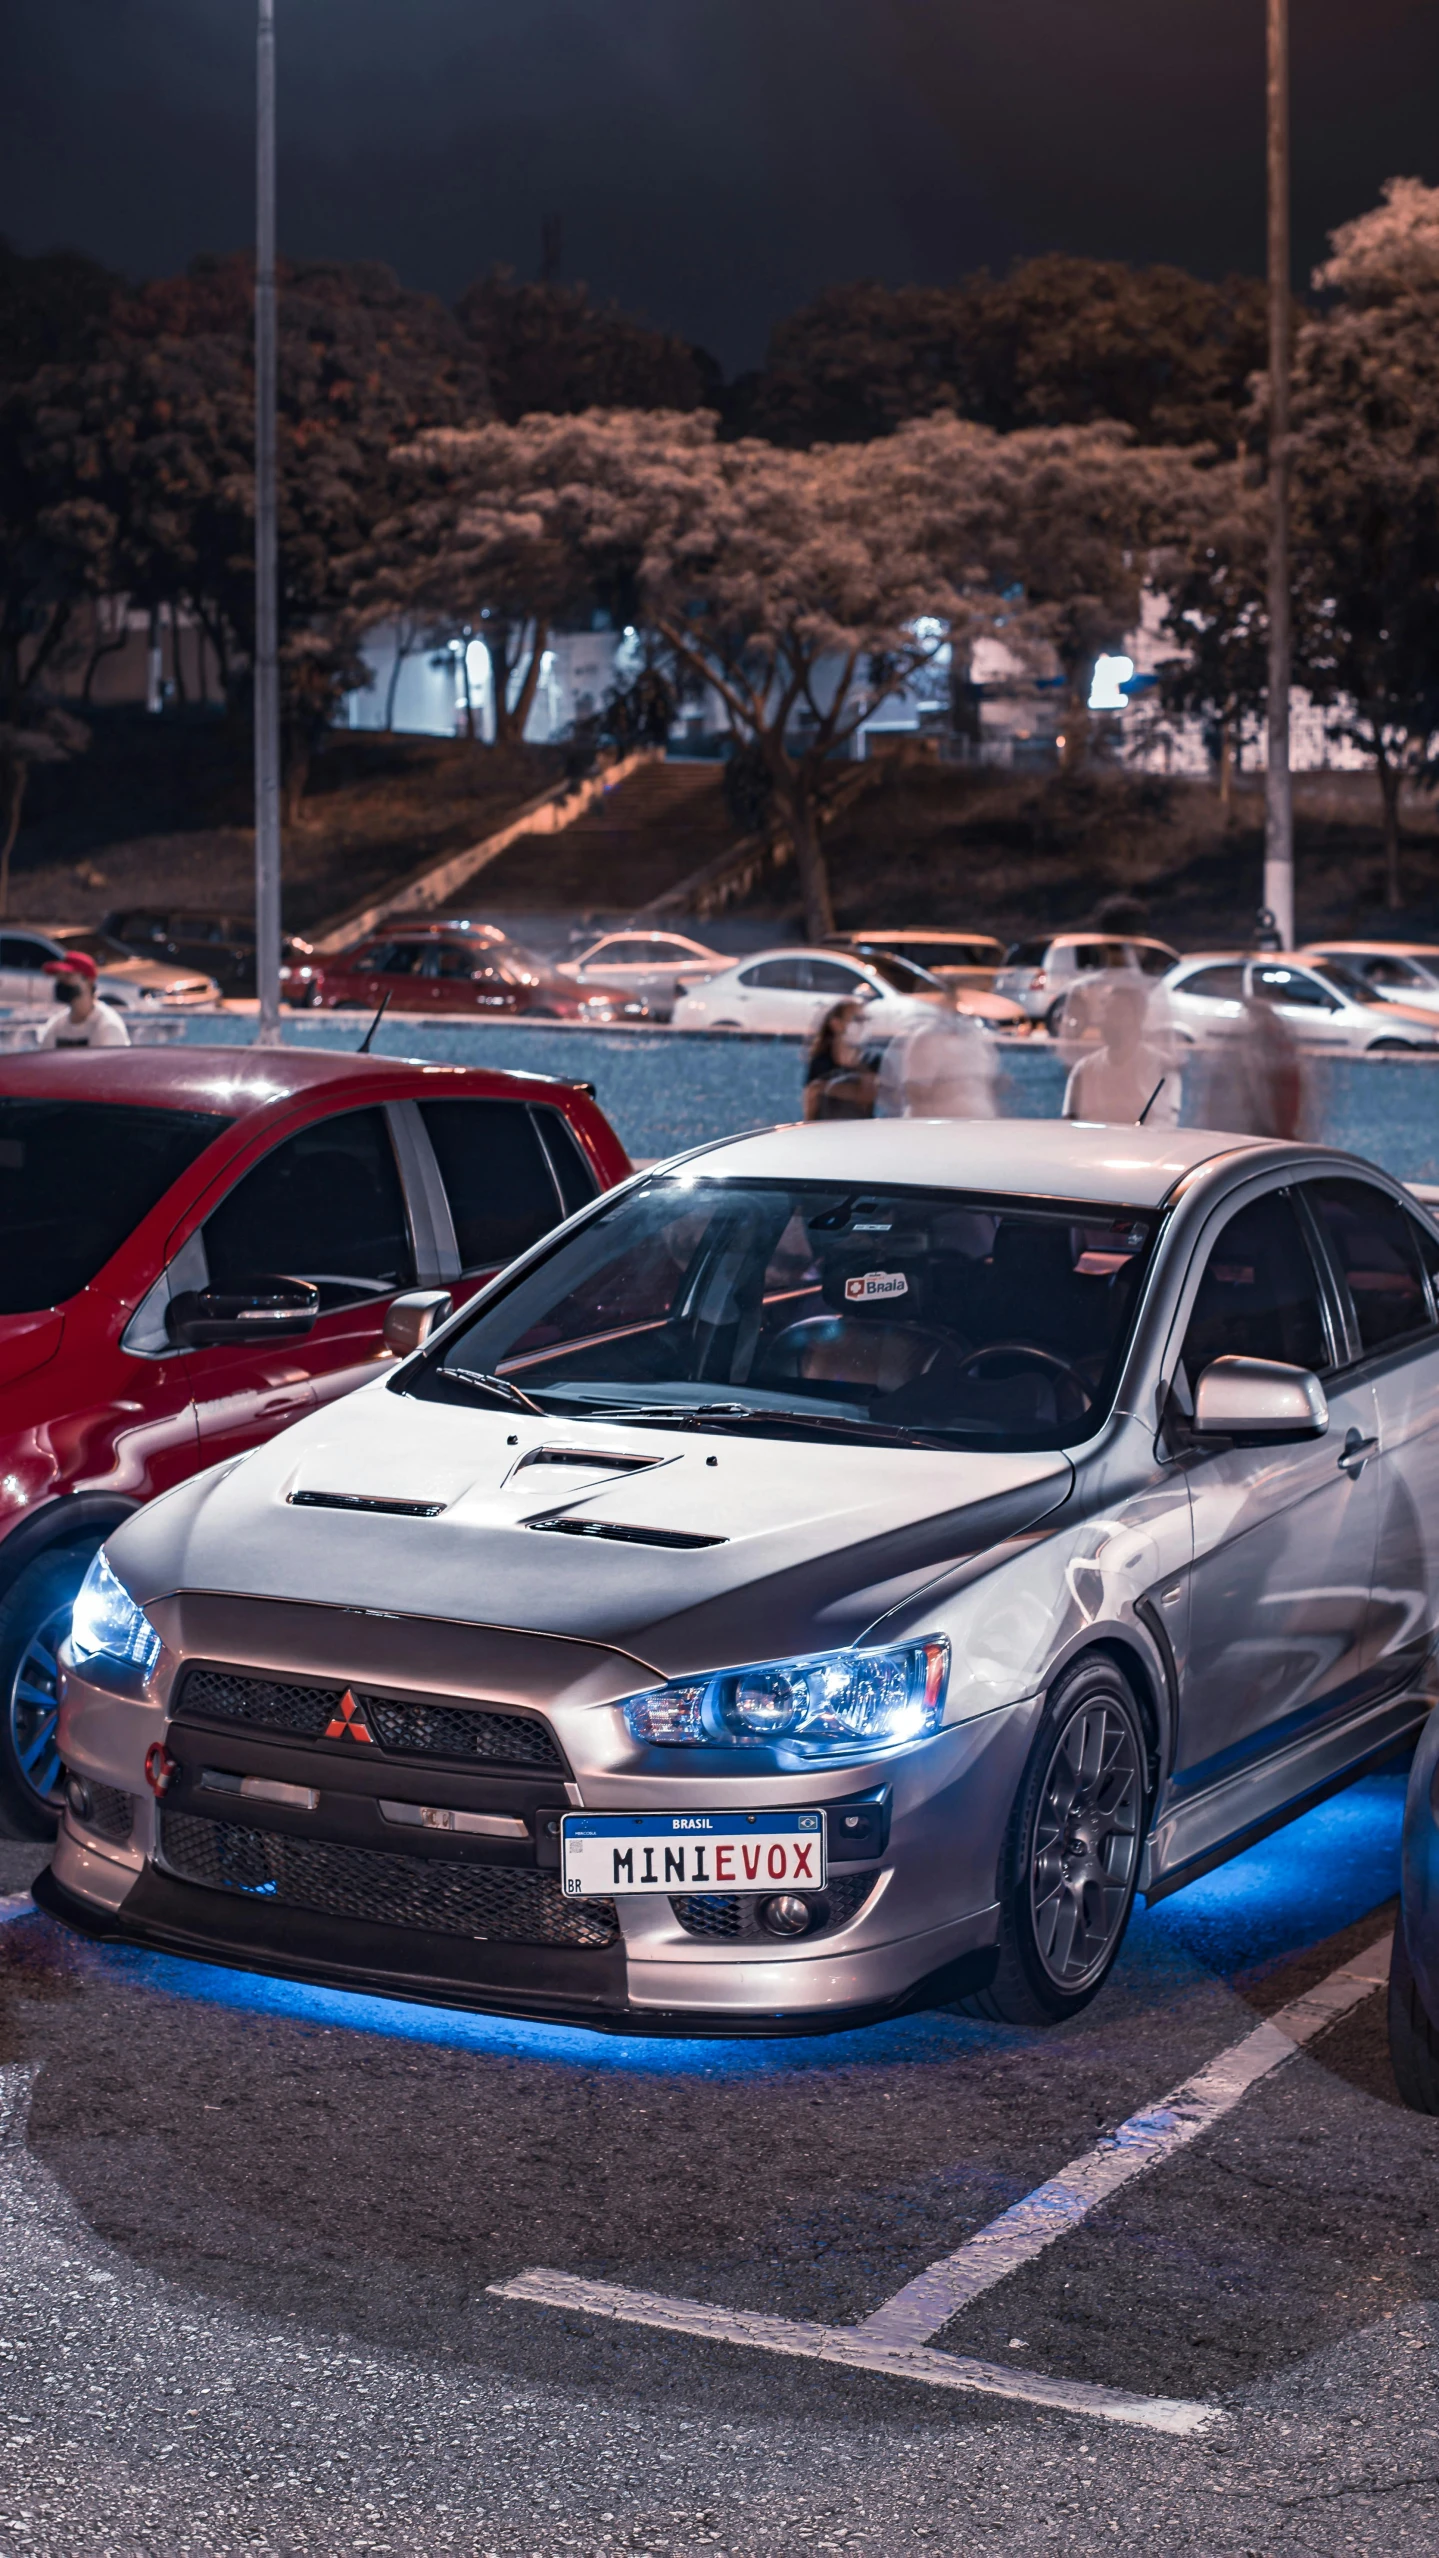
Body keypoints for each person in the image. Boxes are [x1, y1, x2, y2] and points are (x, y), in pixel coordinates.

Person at [1061, 974, 1179, 1127]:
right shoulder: (1083, 1070)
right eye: (1108, 1012)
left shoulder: (1162, 1068)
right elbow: (1068, 1125)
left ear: (1139, 1018)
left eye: (1119, 1013)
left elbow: (1167, 1125)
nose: (1110, 1020)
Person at [875, 990, 997, 1120]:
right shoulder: (925, 1040)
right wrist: (953, 1089)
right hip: (936, 1129)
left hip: (978, 1128)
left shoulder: (974, 1039)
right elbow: (913, 1091)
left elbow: (987, 1085)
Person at [37, 952, 131, 1048]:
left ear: (89, 981)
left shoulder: (108, 1025)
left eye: (68, 976)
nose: (61, 982)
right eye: (59, 977)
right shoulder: (56, 1026)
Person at [803, 999, 876, 1120]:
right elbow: (810, 1107)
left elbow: (866, 1095)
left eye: (867, 1020)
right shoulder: (821, 1061)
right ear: (836, 1024)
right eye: (857, 1020)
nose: (864, 1026)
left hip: (861, 1131)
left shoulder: (870, 1060)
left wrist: (824, 1088)